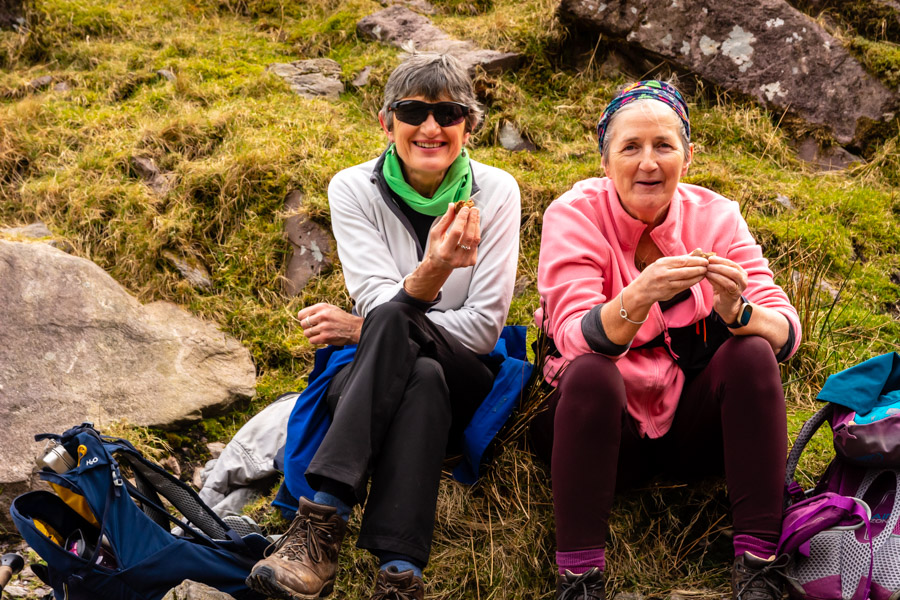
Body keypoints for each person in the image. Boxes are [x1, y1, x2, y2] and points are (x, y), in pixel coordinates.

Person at [246, 53, 521, 600]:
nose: (430, 127)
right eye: (413, 111)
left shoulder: (498, 191)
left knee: (400, 326)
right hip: (406, 377)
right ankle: (401, 575)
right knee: (419, 374)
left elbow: (483, 330)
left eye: (448, 113)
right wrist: (428, 280)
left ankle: (321, 524)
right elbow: (374, 300)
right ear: (386, 121)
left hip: (467, 375)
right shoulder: (353, 188)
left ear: (469, 125)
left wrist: (369, 323)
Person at [530, 80, 801, 600]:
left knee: (752, 353)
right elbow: (569, 333)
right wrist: (639, 296)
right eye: (630, 147)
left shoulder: (716, 216)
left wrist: (737, 312)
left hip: (691, 431)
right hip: (598, 438)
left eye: (664, 146)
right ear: (605, 161)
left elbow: (787, 334)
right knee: (589, 371)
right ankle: (580, 578)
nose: (648, 162)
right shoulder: (574, 214)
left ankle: (760, 566)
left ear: (688, 156)